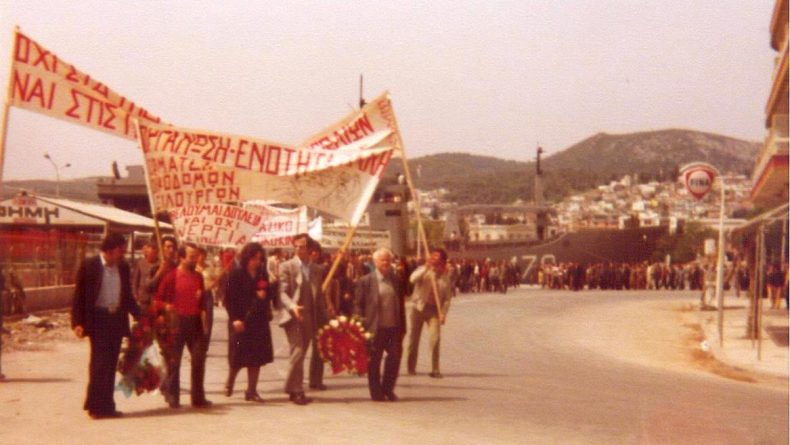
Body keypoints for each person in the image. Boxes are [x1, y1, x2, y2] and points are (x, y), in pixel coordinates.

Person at [71, 233, 140, 419]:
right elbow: (79, 296)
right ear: (108, 250)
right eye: (120, 251)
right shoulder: (90, 266)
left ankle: (107, 406)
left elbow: (127, 296)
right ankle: (95, 407)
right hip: (98, 320)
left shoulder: (123, 268)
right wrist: (77, 322)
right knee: (99, 364)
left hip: (116, 319)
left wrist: (140, 315)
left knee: (110, 365)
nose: (123, 255)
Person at [155, 242, 212, 409]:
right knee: (174, 361)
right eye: (191, 257)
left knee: (199, 359)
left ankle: (198, 397)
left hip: (194, 322)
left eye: (196, 256)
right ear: (181, 257)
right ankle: (173, 396)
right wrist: (166, 307)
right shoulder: (170, 277)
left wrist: (204, 317)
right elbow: (157, 300)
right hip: (176, 322)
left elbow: (202, 302)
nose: (195, 260)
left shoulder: (198, 277)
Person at [277, 233, 329, 405]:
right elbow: (282, 292)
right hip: (293, 316)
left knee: (300, 352)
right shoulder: (287, 266)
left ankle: (292, 388)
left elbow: (319, 295)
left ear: (310, 249)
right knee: (298, 351)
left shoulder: (316, 269)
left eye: (302, 247)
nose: (298, 249)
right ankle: (297, 390)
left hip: (310, 317)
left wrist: (327, 315)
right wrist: (292, 306)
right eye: (296, 246)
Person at [354, 248, 406, 401]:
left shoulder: (396, 280)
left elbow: (401, 304)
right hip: (374, 328)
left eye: (388, 260)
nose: (386, 263)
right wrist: (359, 325)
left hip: (393, 328)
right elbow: (358, 304)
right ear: (375, 262)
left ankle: (388, 389)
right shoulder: (366, 281)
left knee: (394, 358)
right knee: (374, 361)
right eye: (382, 260)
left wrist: (403, 327)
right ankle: (376, 392)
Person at [224, 242, 274, 403]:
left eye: (260, 259)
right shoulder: (236, 274)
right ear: (247, 257)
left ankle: (251, 390)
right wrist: (234, 319)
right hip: (240, 320)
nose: (256, 262)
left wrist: (266, 295)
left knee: (256, 357)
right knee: (238, 355)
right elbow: (228, 299)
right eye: (254, 258)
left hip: (258, 321)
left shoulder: (262, 274)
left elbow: (267, 294)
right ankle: (230, 381)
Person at [406, 247, 453, 378]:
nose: (433, 259)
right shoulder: (424, 270)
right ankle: (411, 367)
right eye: (432, 256)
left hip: (434, 311)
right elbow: (412, 279)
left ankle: (435, 369)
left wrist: (443, 313)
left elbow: (447, 299)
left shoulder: (445, 278)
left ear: (443, 261)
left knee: (435, 339)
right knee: (413, 339)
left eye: (437, 257)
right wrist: (426, 268)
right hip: (418, 308)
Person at [131, 238, 159, 313]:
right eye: (149, 253)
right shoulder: (140, 263)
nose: (151, 255)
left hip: (155, 299)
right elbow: (135, 282)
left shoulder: (159, 265)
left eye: (154, 253)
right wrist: (135, 297)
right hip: (142, 299)